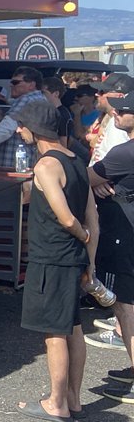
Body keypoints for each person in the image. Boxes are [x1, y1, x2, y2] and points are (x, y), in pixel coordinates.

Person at [16, 100, 97, 422]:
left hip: (52, 257)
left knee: (54, 334)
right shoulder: (76, 160)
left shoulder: (46, 166)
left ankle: (56, 402)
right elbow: (92, 213)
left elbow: (66, 217)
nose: (19, 131)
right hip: (74, 260)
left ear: (34, 129)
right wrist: (89, 257)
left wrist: (81, 235)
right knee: (72, 327)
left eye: (22, 126)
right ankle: (73, 398)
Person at [90, 92, 134, 402]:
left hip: (124, 233)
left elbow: (83, 177)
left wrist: (100, 183)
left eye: (123, 110)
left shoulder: (124, 153)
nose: (116, 113)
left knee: (126, 304)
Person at [0, 66, 49, 168]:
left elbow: (6, 129)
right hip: (31, 161)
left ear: (31, 85)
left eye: (15, 83)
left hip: (16, 164)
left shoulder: (26, 100)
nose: (11, 85)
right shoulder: (40, 99)